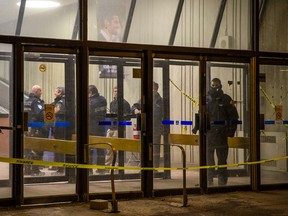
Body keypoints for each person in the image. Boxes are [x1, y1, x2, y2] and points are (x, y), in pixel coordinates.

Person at [193, 78, 239, 186]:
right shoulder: (206, 99)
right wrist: (196, 127)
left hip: (222, 134)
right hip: (209, 133)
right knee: (209, 159)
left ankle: (222, 180)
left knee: (222, 159)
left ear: (220, 85)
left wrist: (231, 131)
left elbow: (234, 116)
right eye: (212, 85)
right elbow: (201, 114)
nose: (214, 88)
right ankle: (209, 180)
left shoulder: (226, 99)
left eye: (216, 85)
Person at [131, 82, 163, 168]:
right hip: (144, 127)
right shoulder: (144, 98)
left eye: (152, 89)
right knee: (143, 147)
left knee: (155, 148)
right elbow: (134, 106)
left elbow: (155, 112)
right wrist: (135, 110)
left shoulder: (159, 100)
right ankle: (143, 166)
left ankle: (154, 167)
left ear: (156, 89)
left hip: (155, 128)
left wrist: (142, 112)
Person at [24, 85, 48, 176]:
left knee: (28, 149)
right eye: (40, 91)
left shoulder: (27, 101)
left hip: (28, 128)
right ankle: (35, 171)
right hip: (36, 128)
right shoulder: (36, 101)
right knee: (36, 149)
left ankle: (27, 170)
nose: (41, 93)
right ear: (37, 91)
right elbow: (41, 115)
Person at [105, 86, 131, 165]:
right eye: (115, 91)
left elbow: (128, 117)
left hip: (119, 128)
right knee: (108, 147)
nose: (116, 93)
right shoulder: (112, 103)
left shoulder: (125, 103)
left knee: (116, 147)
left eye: (117, 91)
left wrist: (120, 117)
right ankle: (107, 165)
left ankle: (117, 165)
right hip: (111, 127)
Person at [88, 85, 107, 174]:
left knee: (89, 149)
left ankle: (89, 169)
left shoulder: (90, 102)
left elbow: (89, 113)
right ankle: (101, 169)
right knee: (100, 149)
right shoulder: (103, 99)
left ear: (90, 93)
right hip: (101, 127)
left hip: (91, 127)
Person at [98, 12, 122, 78]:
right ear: (107, 23)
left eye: (119, 23)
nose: (118, 26)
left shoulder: (114, 39)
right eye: (116, 22)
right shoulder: (99, 39)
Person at [50, 87, 66, 174]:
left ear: (60, 93)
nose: (54, 93)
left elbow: (56, 111)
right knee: (57, 147)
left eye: (56, 91)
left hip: (60, 128)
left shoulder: (62, 102)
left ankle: (61, 169)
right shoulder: (57, 102)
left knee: (60, 148)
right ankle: (58, 167)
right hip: (57, 127)